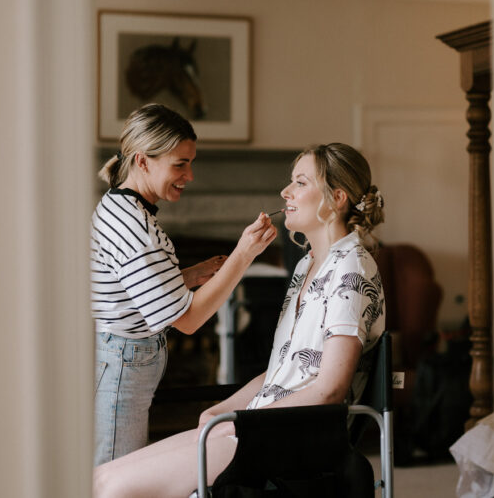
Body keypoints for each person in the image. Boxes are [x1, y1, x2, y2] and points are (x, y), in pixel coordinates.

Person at [93, 142, 386, 498]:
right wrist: (225, 407)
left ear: (337, 198)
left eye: (301, 182)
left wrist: (245, 420)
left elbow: (330, 389)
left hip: (296, 440)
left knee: (112, 490)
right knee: (100, 478)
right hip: (261, 427)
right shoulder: (309, 264)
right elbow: (283, 369)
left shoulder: (350, 268)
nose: (285, 191)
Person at [92, 103, 278, 465]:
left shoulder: (118, 207)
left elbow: (137, 286)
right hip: (124, 366)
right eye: (180, 164)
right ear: (143, 161)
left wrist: (193, 274)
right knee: (116, 475)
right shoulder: (137, 230)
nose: (190, 176)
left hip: (118, 357)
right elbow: (188, 320)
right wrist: (243, 254)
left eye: (190, 162)